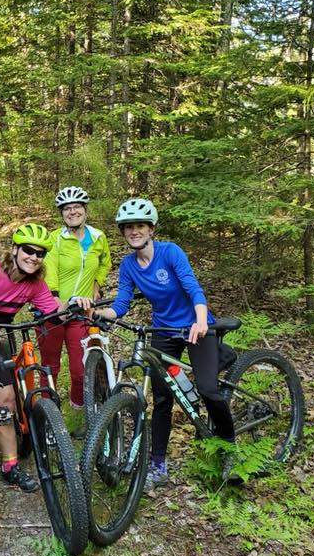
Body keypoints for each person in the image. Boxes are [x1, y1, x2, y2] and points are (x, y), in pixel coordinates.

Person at [94, 198, 237, 487]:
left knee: (208, 389)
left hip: (196, 326)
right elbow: (121, 303)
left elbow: (192, 287)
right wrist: (100, 314)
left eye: (140, 226)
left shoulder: (170, 252)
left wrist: (200, 320)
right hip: (163, 328)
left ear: (151, 229)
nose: (134, 231)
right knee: (161, 399)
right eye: (128, 227)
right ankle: (158, 464)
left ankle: (229, 446)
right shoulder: (128, 265)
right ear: (123, 232)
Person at [0, 223, 58, 494]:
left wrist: (77, 304)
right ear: (14, 249)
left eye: (40, 254)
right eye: (28, 250)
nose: (33, 257)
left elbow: (52, 311)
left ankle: (10, 465)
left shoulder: (34, 284)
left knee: (5, 402)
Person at [39, 186, 110, 432]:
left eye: (76, 207)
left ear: (85, 210)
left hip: (81, 313)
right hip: (54, 312)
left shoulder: (98, 237)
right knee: (50, 367)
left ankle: (76, 414)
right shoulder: (55, 238)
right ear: (62, 214)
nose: (72, 212)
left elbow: (104, 262)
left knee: (80, 371)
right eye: (67, 209)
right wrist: (57, 302)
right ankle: (47, 417)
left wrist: (96, 287)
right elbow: (49, 272)